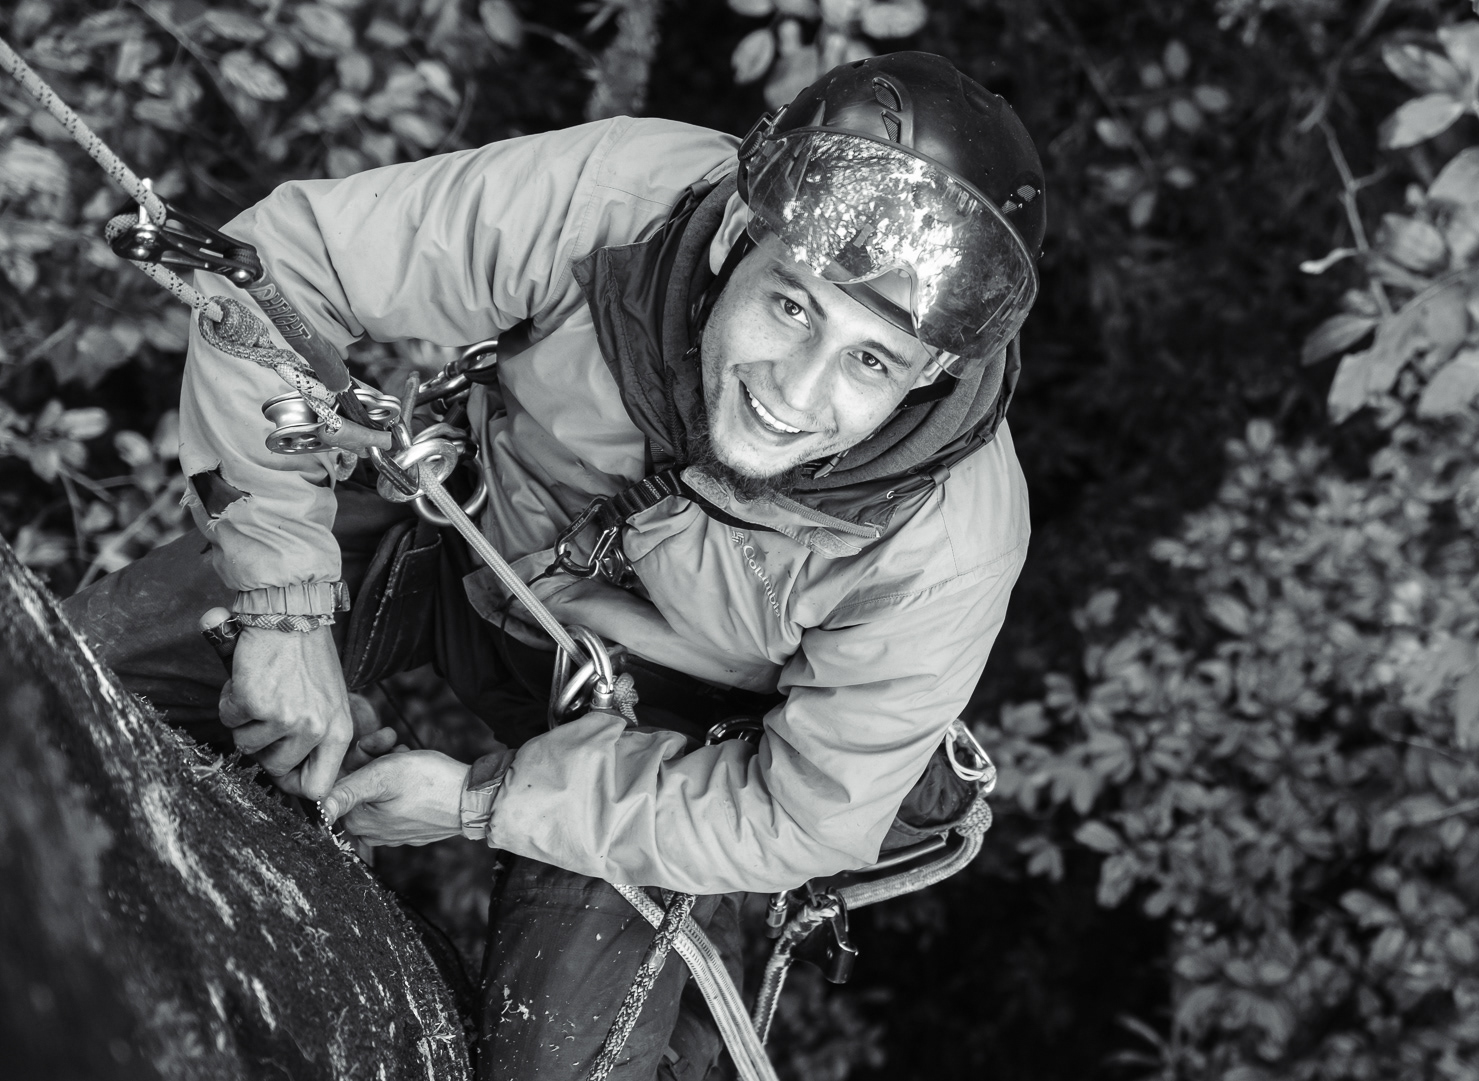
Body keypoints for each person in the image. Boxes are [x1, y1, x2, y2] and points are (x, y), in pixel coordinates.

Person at [61, 51, 1044, 1080]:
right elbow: (280, 265)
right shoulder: (619, 203)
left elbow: (799, 812)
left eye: (870, 360)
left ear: (934, 370)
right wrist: (284, 618)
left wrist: (476, 801)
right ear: (735, 238)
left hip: (665, 745)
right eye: (792, 305)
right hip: (461, 536)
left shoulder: (946, 542)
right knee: (70, 680)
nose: (794, 392)